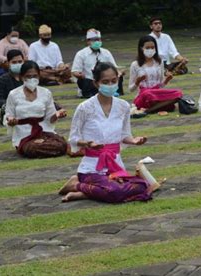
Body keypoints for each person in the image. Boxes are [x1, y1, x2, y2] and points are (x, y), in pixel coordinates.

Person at [59, 62, 159, 203]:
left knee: (144, 186)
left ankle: (84, 192)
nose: (111, 85)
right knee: (116, 191)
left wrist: (134, 141)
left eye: (114, 81)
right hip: (91, 168)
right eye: (105, 82)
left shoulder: (123, 106)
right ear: (96, 83)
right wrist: (87, 143)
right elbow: (73, 139)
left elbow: (124, 135)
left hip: (115, 166)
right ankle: (76, 184)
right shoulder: (84, 108)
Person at [4, 61, 67, 158]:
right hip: (24, 135)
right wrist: (11, 120)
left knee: (62, 145)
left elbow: (50, 118)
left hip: (43, 132)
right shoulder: (13, 94)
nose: (32, 79)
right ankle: (37, 146)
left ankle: (43, 145)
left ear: (39, 76)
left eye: (35, 76)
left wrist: (58, 114)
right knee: (33, 148)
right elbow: (8, 115)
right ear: (22, 77)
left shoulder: (46, 92)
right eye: (28, 76)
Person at [130, 36, 183, 113]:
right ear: (141, 48)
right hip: (144, 96)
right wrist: (137, 82)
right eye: (147, 48)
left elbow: (160, 85)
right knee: (147, 93)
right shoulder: (135, 64)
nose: (150, 50)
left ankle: (150, 110)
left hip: (157, 94)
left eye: (152, 47)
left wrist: (167, 79)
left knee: (178, 93)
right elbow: (131, 89)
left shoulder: (159, 62)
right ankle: (160, 106)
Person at [72, 29, 124, 98]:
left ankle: (115, 91)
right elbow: (74, 71)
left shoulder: (106, 52)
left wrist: (119, 73)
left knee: (118, 77)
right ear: (88, 41)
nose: (97, 42)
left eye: (98, 40)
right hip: (90, 82)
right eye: (94, 40)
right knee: (86, 81)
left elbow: (114, 68)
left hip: (105, 81)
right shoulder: (81, 54)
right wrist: (80, 75)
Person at [0, 50, 24, 124]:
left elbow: (40, 94)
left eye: (20, 62)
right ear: (8, 63)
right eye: (14, 62)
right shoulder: (2, 79)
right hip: (10, 110)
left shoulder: (28, 78)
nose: (17, 64)